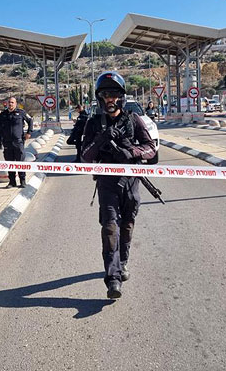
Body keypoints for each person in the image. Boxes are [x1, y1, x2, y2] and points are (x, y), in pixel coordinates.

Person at [81, 72, 156, 299]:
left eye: (114, 94)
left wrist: (131, 151)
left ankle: (122, 262)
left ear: (121, 97)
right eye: (105, 95)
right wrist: (101, 139)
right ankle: (112, 278)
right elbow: (84, 157)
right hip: (107, 183)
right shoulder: (93, 123)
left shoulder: (133, 120)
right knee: (110, 228)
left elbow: (150, 148)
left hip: (131, 181)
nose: (110, 99)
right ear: (100, 98)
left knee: (128, 226)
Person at [0, 97, 33, 188]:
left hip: (18, 142)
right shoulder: (2, 115)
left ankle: (22, 181)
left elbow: (30, 121)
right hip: (7, 143)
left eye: (12, 102)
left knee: (20, 162)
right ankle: (12, 182)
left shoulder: (21, 113)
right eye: (9, 102)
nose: (10, 104)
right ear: (7, 104)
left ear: (15, 103)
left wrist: (29, 132)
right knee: (9, 163)